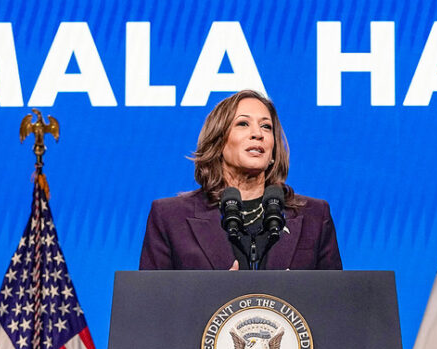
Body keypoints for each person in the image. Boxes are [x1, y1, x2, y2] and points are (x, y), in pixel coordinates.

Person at [139, 90, 342, 270]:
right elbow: (152, 298)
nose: (258, 134)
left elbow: (335, 297)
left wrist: (296, 293)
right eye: (243, 124)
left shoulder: (315, 216)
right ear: (218, 142)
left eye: (266, 126)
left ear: (273, 151)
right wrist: (212, 294)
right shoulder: (170, 217)